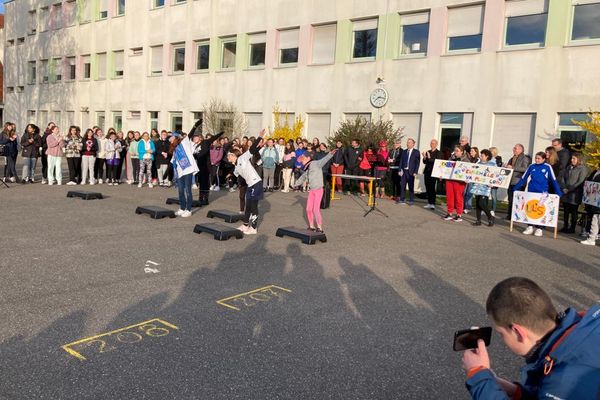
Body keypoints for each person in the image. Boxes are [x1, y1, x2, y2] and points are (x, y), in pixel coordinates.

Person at [462, 277, 600, 400]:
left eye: (501, 333)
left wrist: (478, 376)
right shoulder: (588, 323)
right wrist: (516, 392)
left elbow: (558, 390)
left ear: (518, 332)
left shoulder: (563, 383)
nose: (502, 339)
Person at [513, 152, 563, 237]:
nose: (537, 160)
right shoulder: (531, 166)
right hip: (531, 191)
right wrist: (516, 188)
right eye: (536, 158)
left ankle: (540, 228)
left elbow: (553, 180)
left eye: (539, 158)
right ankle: (530, 226)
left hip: (542, 192)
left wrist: (558, 192)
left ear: (543, 159)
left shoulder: (547, 167)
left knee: (540, 209)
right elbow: (523, 178)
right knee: (530, 208)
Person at [228, 130, 265, 235]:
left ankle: (253, 228)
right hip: (250, 185)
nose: (228, 157)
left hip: (256, 183)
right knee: (247, 206)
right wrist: (230, 179)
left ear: (234, 156)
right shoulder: (235, 167)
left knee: (253, 206)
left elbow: (252, 150)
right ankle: (245, 225)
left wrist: (259, 137)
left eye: (229, 155)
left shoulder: (242, 158)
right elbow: (235, 175)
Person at [294, 149, 336, 232]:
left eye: (303, 159)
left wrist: (330, 154)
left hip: (318, 190)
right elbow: (303, 177)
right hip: (312, 191)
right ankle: (311, 226)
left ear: (308, 158)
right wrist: (295, 184)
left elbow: (324, 160)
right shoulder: (307, 168)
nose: (301, 161)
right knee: (308, 209)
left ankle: (319, 227)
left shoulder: (316, 163)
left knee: (315, 209)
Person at [171, 131, 198, 218]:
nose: (171, 139)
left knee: (188, 191)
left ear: (177, 138)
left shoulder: (184, 143)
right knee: (181, 191)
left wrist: (195, 126)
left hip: (188, 170)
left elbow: (190, 134)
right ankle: (182, 208)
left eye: (172, 137)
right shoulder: (174, 148)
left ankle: (189, 209)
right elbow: (173, 161)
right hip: (180, 172)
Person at [560, 153, 588, 234]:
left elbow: (580, 181)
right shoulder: (569, 167)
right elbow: (563, 178)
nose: (572, 160)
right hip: (566, 193)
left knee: (573, 211)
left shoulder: (582, 169)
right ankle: (565, 226)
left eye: (574, 159)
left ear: (579, 160)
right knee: (566, 211)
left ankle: (572, 228)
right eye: (572, 158)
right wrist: (564, 187)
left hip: (575, 194)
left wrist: (569, 189)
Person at [443, 145, 470, 222]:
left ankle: (459, 214)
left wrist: (467, 178)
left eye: (457, 151)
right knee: (449, 196)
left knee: (458, 197)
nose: (456, 152)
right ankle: (449, 212)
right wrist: (441, 174)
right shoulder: (451, 158)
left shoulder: (466, 160)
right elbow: (445, 167)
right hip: (450, 180)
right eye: (455, 150)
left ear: (462, 152)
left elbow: (468, 171)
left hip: (459, 181)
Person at [470, 149, 496, 226]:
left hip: (486, 186)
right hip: (477, 185)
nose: (480, 157)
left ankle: (490, 217)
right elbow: (474, 172)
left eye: (482, 156)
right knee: (477, 203)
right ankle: (478, 220)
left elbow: (496, 175)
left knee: (482, 203)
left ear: (487, 156)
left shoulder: (492, 164)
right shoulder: (479, 163)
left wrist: (493, 183)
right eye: (481, 155)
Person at [505, 144, 531, 220]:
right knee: (510, 199)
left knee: (517, 200)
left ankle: (516, 216)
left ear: (521, 150)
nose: (514, 149)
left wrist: (512, 167)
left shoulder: (525, 158)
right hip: (510, 181)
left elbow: (525, 169)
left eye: (515, 148)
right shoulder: (512, 158)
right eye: (514, 148)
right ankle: (509, 215)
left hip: (519, 182)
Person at [397, 138, 420, 205]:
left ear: (413, 144)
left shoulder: (416, 152)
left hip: (411, 172)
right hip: (404, 171)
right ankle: (402, 199)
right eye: (407, 142)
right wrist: (399, 170)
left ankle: (411, 200)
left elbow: (417, 163)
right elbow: (401, 161)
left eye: (409, 142)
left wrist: (415, 172)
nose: (408, 144)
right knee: (402, 186)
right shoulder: (404, 151)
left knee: (411, 186)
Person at [581, 163, 600, 246]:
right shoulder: (595, 172)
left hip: (597, 200)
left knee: (596, 219)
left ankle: (592, 238)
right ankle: (592, 238)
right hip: (595, 201)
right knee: (595, 219)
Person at [422, 139, 441, 209]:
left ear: (436, 144)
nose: (432, 145)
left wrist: (429, 158)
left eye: (433, 143)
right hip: (427, 171)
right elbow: (425, 162)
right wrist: (424, 157)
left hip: (433, 172)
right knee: (427, 186)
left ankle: (433, 203)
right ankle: (429, 202)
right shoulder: (428, 152)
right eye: (431, 143)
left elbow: (437, 162)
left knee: (432, 188)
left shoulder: (438, 153)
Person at [488, 147, 503, 217]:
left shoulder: (498, 160)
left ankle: (493, 210)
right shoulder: (487, 159)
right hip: (487, 179)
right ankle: (485, 209)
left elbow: (498, 169)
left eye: (490, 152)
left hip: (494, 181)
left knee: (493, 196)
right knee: (485, 195)